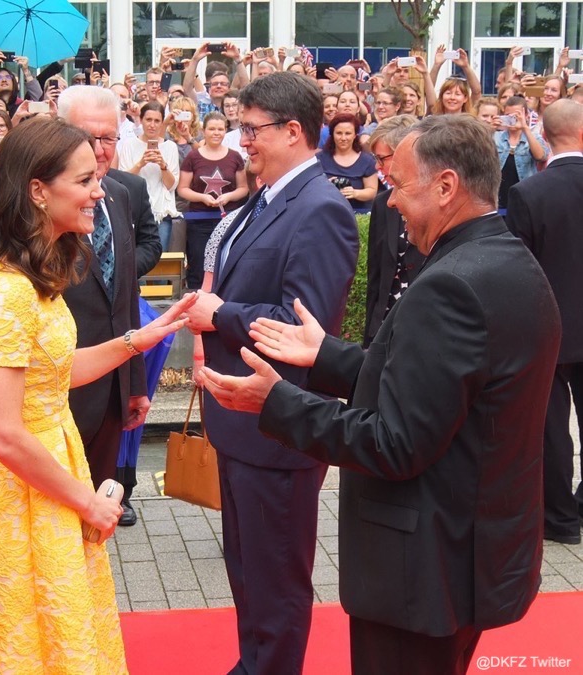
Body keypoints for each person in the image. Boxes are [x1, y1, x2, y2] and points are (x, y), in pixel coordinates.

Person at [204, 112, 561, 674]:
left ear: (446, 187)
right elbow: (432, 384)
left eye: (397, 186)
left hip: (424, 569)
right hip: (466, 552)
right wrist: (325, 355)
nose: (389, 203)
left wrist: (277, 402)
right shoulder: (505, 261)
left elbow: (395, 442)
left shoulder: (450, 285)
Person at [0, 116, 194, 673]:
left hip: (50, 472)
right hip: (22, 490)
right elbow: (3, 433)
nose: (99, 191)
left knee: (65, 633)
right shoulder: (5, 292)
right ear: (38, 190)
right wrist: (87, 502)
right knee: (32, 642)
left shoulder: (30, 273)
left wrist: (138, 341)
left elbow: (53, 373)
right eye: (85, 180)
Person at [183, 71, 359, 674]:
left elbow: (299, 323)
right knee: (250, 571)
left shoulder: (319, 209)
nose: (242, 141)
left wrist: (222, 314)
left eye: (251, 129)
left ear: (292, 131)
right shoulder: (271, 195)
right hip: (244, 423)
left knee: (276, 578)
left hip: (276, 428)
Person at [56, 85, 152, 495]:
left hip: (112, 389)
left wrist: (133, 384)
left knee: (96, 524)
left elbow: (124, 296)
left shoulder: (119, 193)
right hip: (59, 392)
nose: (99, 149)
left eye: (109, 137)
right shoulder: (39, 199)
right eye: (86, 136)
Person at [506, 99, 583, 544]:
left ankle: (560, 520)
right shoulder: (528, 192)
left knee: (552, 428)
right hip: (556, 328)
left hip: (549, 328)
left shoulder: (529, 194)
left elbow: (522, 270)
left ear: (547, 136)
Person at [363, 114, 424, 347]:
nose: (377, 167)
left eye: (381, 158)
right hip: (384, 326)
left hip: (420, 327)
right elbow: (375, 275)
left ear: (403, 153)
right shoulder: (382, 203)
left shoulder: (433, 203)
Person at [177, 111, 247, 290]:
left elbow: (243, 188)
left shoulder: (235, 157)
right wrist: (203, 197)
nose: (216, 133)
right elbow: (183, 189)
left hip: (228, 220)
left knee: (226, 263)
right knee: (199, 265)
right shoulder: (193, 157)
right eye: (212, 129)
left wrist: (229, 196)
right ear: (204, 130)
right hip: (199, 221)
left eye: (220, 129)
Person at [116, 101, 180, 252]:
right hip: (135, 212)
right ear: (142, 120)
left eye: (157, 120)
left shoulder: (170, 147)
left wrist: (163, 166)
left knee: (160, 262)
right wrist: (141, 163)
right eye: (148, 120)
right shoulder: (129, 145)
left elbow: (172, 185)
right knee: (135, 261)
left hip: (162, 213)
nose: (152, 125)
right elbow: (123, 181)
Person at [317, 112, 379, 211]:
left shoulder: (367, 161)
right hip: (325, 209)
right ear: (332, 134)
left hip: (358, 212)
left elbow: (372, 191)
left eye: (348, 133)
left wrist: (354, 193)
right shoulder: (320, 159)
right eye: (339, 133)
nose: (343, 138)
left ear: (355, 135)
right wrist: (325, 185)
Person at [494, 96, 546, 210]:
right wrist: (490, 128)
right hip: (498, 199)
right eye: (508, 116)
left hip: (525, 198)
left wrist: (525, 128)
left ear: (526, 115)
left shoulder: (533, 137)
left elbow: (541, 156)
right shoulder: (496, 137)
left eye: (516, 115)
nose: (512, 119)